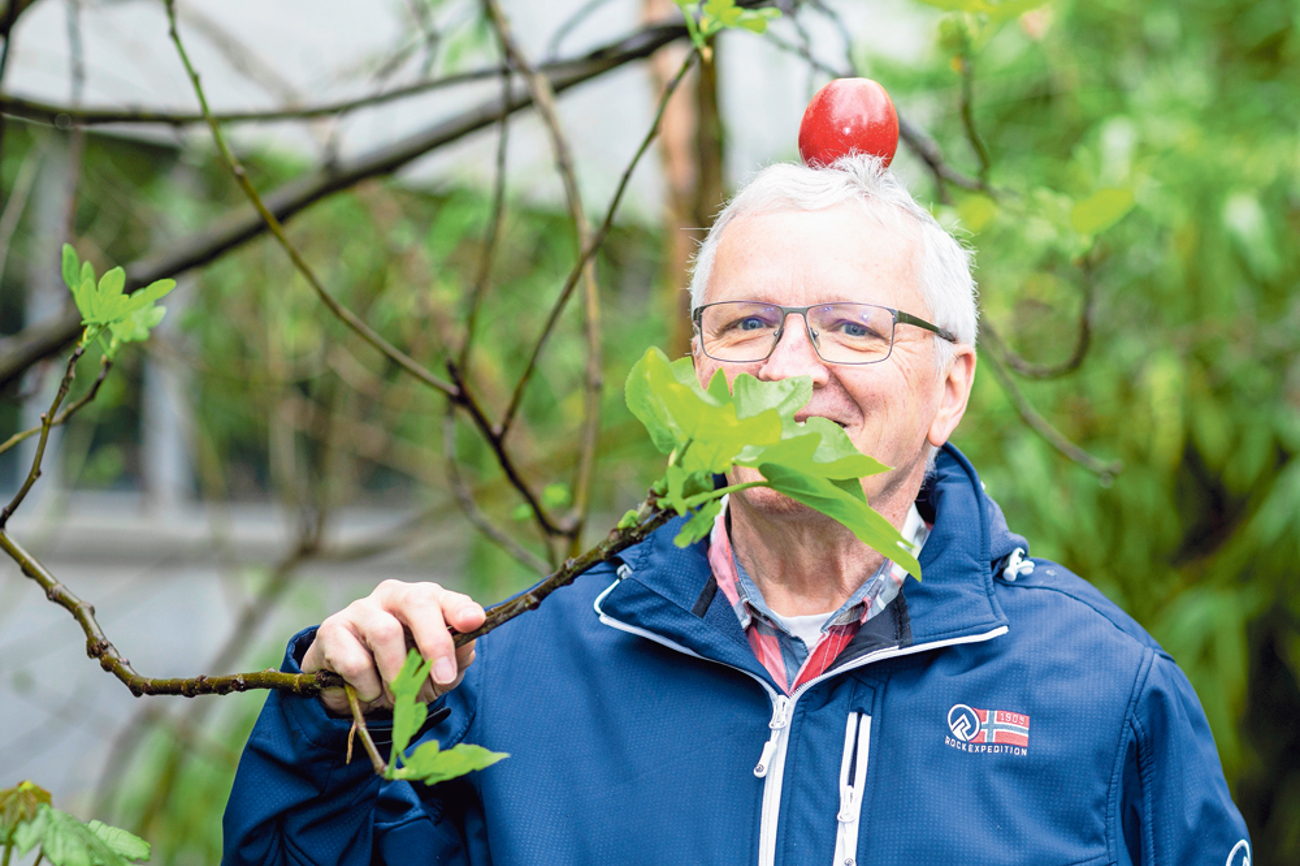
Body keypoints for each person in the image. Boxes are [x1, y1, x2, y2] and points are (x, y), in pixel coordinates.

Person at [223, 155, 1251, 866]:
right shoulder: (521, 677)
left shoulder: (1103, 695)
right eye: (747, 322)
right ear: (696, 367)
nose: (789, 366)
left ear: (950, 386)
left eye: (854, 327)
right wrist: (332, 722)